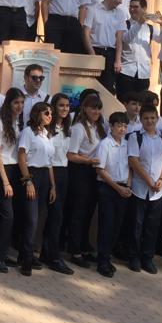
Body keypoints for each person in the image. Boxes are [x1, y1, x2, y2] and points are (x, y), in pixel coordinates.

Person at [126, 103, 162, 274]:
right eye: (146, 118)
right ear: (141, 119)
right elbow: (133, 161)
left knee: (152, 226)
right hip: (139, 188)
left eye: (152, 118)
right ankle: (133, 257)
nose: (149, 121)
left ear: (157, 119)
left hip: (157, 191)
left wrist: (161, 179)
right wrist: (149, 181)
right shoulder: (135, 137)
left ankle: (147, 258)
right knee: (136, 225)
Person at [66, 92, 105, 268]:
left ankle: (84, 246)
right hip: (80, 172)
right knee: (78, 212)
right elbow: (71, 155)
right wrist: (88, 161)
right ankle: (75, 250)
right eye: (93, 108)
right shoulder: (79, 128)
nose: (96, 111)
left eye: (98, 108)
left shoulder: (100, 127)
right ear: (85, 108)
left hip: (94, 173)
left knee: (89, 212)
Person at [17, 101, 56, 276]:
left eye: (51, 113)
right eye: (46, 113)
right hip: (32, 174)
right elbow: (22, 157)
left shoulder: (47, 134)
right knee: (31, 220)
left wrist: (53, 186)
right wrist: (28, 181)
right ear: (37, 113)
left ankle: (28, 254)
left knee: (40, 219)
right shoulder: (28, 132)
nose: (50, 116)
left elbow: (49, 163)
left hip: (44, 178)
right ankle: (26, 259)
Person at [93, 111, 132, 277]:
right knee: (107, 226)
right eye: (119, 126)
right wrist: (118, 188)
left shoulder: (127, 144)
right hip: (108, 188)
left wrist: (128, 185)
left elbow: (131, 167)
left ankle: (107, 256)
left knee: (117, 226)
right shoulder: (105, 144)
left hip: (123, 188)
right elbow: (100, 170)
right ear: (111, 126)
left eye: (125, 126)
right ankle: (102, 261)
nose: (122, 129)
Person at [0, 88, 25, 272]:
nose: (19, 106)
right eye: (16, 102)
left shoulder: (18, 122)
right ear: (8, 104)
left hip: (16, 171)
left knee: (11, 216)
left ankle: (2, 253)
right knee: (6, 216)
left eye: (22, 103)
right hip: (3, 171)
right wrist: (5, 181)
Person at [40, 93, 73, 274]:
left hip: (64, 173)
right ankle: (53, 256)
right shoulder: (47, 129)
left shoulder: (67, 128)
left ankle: (48, 253)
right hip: (50, 173)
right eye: (61, 105)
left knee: (57, 216)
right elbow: (48, 159)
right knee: (54, 215)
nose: (65, 109)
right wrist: (52, 184)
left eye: (67, 105)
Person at [116, 0, 162, 97]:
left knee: (141, 102)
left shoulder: (150, 28)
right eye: (130, 7)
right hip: (126, 70)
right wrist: (139, 23)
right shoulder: (124, 24)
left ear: (144, 9)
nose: (132, 9)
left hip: (143, 73)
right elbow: (126, 39)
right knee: (124, 101)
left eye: (136, 7)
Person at [82, 0, 126, 93]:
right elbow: (86, 33)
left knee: (108, 88)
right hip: (95, 50)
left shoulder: (120, 14)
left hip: (111, 53)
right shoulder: (93, 9)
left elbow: (119, 38)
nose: (121, 2)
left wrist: (118, 60)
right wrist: (92, 55)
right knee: (91, 86)